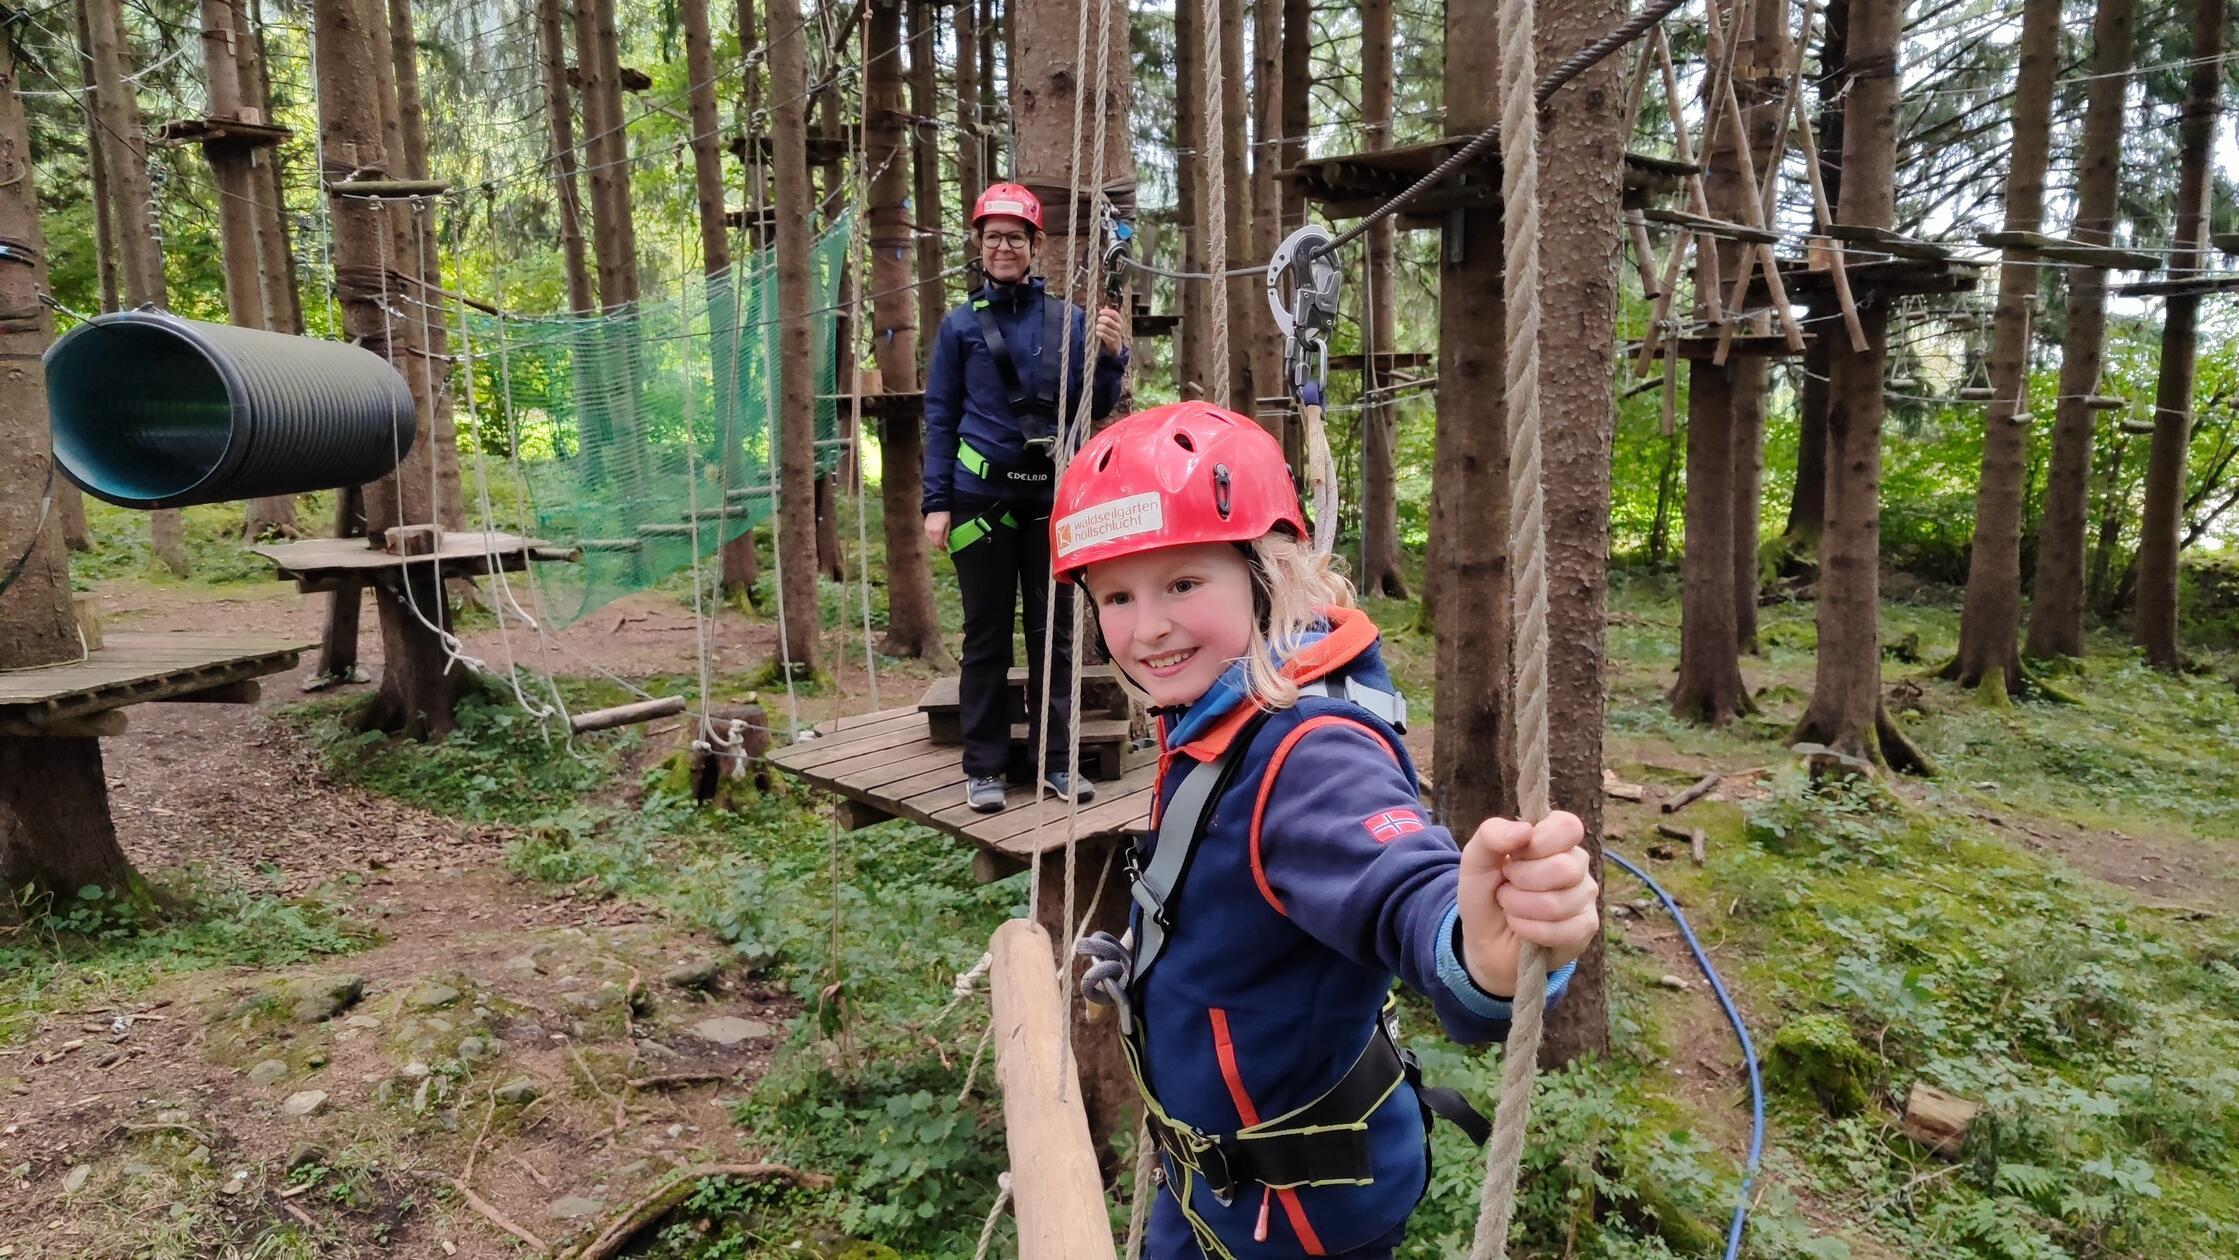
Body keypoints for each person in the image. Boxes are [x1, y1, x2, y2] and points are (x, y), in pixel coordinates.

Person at [1052, 402, 1600, 1259]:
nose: (1146, 626)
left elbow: (1401, 886)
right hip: (1218, 1184)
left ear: (1265, 579)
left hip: (1287, 1220)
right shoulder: (1216, 714)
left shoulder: (1309, 754)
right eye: (1116, 595)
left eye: (1183, 583)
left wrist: (1481, 959)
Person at [924, 182, 1129, 813]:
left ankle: (1058, 762)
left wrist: (1112, 357)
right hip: (977, 500)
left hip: (1049, 500)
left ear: (1035, 246)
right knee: (985, 636)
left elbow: (1091, 406)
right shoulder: (960, 327)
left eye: (1016, 237)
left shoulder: (1068, 323)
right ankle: (983, 766)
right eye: (994, 238)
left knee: (1055, 636)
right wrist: (936, 502)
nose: (1005, 247)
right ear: (980, 249)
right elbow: (940, 415)